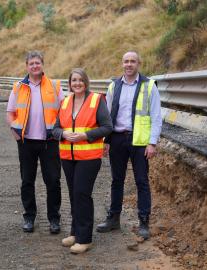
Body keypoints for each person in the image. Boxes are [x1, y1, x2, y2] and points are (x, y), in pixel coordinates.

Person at [96, 51, 162, 240]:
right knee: (117, 180)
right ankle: (114, 218)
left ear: (139, 63)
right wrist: (106, 141)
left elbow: (156, 116)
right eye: (126, 61)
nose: (129, 64)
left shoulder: (149, 86)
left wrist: (152, 142)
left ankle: (143, 221)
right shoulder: (113, 86)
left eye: (133, 61)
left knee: (142, 181)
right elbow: (106, 116)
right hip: (116, 139)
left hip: (140, 141)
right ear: (122, 64)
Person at [53, 68, 112, 254]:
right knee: (73, 194)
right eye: (73, 80)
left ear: (86, 82)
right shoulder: (64, 102)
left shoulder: (96, 100)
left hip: (88, 157)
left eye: (80, 80)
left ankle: (85, 239)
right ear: (69, 83)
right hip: (68, 157)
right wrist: (62, 133)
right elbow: (54, 129)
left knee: (82, 194)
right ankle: (75, 232)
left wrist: (84, 136)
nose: (77, 83)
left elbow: (107, 127)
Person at [6, 51, 65, 234]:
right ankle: (29, 217)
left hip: (50, 142)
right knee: (27, 181)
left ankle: (54, 219)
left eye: (37, 63)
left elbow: (64, 111)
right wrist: (15, 130)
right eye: (31, 63)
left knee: (53, 181)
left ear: (42, 64)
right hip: (26, 142)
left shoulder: (55, 86)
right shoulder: (18, 87)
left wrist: (59, 132)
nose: (34, 66)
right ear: (26, 66)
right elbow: (10, 112)